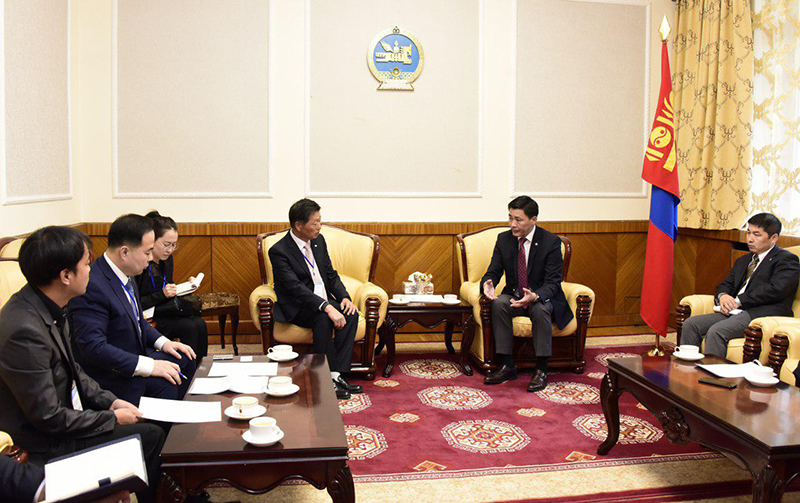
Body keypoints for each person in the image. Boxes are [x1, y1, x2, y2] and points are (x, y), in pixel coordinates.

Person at [0, 226, 165, 503]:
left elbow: (74, 370)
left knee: (147, 422)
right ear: (66, 276)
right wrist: (112, 418)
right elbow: (48, 417)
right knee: (149, 436)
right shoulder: (24, 330)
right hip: (44, 442)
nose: (92, 270)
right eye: (87, 264)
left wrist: (111, 402)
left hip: (69, 414)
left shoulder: (49, 303)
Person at [70, 214, 197, 407]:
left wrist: (164, 343)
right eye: (147, 252)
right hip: (111, 373)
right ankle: (160, 425)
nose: (150, 259)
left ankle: (180, 416)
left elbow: (137, 321)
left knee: (184, 358)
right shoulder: (92, 286)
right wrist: (150, 366)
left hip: (133, 354)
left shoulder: (125, 273)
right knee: (167, 382)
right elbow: (94, 348)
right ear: (124, 252)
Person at [269, 198, 362, 400]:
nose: (320, 226)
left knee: (351, 313)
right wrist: (326, 307)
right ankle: (325, 376)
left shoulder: (319, 241)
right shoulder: (279, 251)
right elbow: (295, 288)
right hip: (298, 306)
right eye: (315, 222)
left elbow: (330, 274)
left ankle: (337, 373)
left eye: (320, 220)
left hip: (322, 300)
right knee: (323, 317)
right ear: (298, 225)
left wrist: (344, 297)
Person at [481, 196, 574, 392]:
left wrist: (535, 296)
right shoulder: (504, 239)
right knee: (499, 303)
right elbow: (493, 271)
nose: (512, 224)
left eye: (518, 219)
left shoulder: (550, 242)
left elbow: (553, 283)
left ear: (534, 219)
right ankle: (507, 365)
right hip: (515, 296)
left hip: (541, 297)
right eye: (510, 218)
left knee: (540, 309)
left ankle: (541, 370)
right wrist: (488, 283)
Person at [681, 213, 800, 358]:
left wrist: (739, 301)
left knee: (717, 331)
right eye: (748, 232)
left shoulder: (786, 260)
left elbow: (776, 289)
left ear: (773, 238)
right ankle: (687, 369)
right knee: (691, 324)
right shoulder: (744, 260)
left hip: (761, 313)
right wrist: (723, 296)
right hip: (735, 311)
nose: (750, 239)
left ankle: (713, 372)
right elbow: (726, 284)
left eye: (757, 234)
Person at [134, 211, 208, 359]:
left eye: (174, 245)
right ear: (153, 240)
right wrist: (162, 294)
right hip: (149, 315)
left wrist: (187, 287)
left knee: (200, 323)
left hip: (166, 310)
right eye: (166, 245)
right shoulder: (141, 263)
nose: (170, 250)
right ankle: (188, 366)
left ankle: (201, 366)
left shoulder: (167, 260)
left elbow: (168, 286)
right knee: (189, 327)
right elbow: (136, 301)